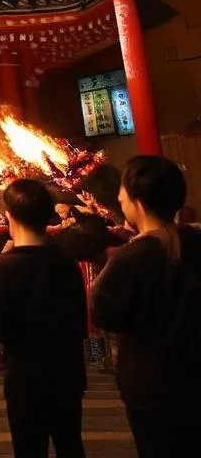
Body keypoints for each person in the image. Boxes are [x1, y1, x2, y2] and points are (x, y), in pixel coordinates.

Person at [91, 155, 201, 457]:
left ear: (136, 201)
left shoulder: (132, 257)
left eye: (122, 194)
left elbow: (105, 313)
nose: (119, 199)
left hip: (153, 384)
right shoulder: (194, 241)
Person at [0, 178, 87, 458]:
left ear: (10, 217)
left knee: (28, 448)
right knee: (71, 444)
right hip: (69, 375)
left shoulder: (3, 269)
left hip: (25, 379)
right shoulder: (67, 266)